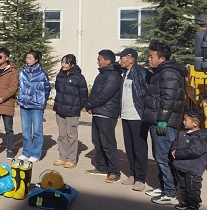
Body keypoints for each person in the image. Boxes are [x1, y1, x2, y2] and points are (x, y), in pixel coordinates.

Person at [142, 42, 187, 205]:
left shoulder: (168, 73)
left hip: (164, 123)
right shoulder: (162, 71)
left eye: (151, 56)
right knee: (159, 155)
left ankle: (170, 193)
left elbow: (168, 98)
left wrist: (162, 120)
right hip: (158, 120)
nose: (149, 59)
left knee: (164, 157)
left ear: (162, 58)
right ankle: (163, 187)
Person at [84, 49, 122, 183]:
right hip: (98, 112)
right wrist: (89, 105)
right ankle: (101, 167)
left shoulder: (113, 76)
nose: (97, 62)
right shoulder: (102, 74)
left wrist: (90, 104)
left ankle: (114, 171)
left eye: (99, 59)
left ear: (108, 61)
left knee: (108, 144)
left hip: (107, 114)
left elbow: (104, 95)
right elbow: (94, 93)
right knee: (97, 142)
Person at [116, 48, 151, 191]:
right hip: (126, 115)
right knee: (129, 148)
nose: (120, 60)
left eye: (122, 57)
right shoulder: (125, 73)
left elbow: (149, 94)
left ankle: (140, 179)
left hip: (138, 116)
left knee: (139, 148)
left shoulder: (142, 73)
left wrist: (146, 112)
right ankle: (133, 174)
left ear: (131, 59)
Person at [52, 54, 88, 168]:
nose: (63, 65)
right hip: (60, 110)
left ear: (72, 64)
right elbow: (58, 90)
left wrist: (77, 107)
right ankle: (62, 157)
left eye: (66, 63)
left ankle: (71, 159)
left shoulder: (79, 77)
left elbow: (83, 95)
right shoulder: (60, 75)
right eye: (62, 62)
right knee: (62, 135)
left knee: (71, 135)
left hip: (72, 111)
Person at [171, 108, 207, 210]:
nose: (183, 122)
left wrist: (177, 153)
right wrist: (173, 150)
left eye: (185, 120)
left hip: (193, 169)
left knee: (192, 188)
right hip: (181, 166)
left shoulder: (200, 137)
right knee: (183, 186)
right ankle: (186, 202)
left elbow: (194, 151)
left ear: (195, 123)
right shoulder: (182, 133)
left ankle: (194, 205)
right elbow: (175, 142)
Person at [17, 50, 50, 163]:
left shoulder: (42, 74)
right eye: (27, 58)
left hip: (37, 106)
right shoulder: (22, 73)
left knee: (37, 131)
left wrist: (42, 101)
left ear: (36, 60)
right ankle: (26, 152)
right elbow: (19, 87)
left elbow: (47, 89)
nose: (28, 60)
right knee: (25, 131)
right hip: (24, 105)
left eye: (30, 58)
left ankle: (35, 154)